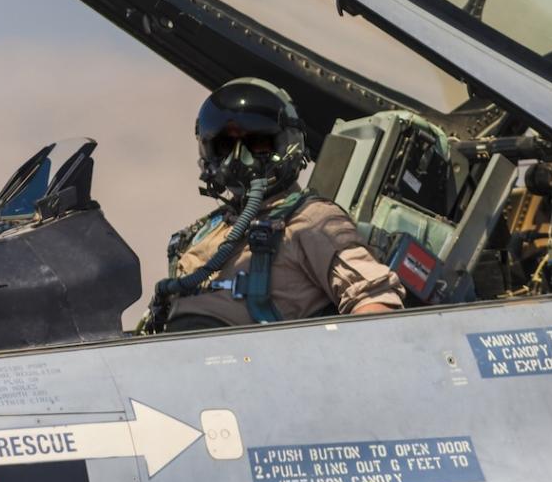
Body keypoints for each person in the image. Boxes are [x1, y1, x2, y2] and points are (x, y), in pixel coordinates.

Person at [140, 77, 404, 333]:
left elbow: (375, 304)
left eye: (257, 143)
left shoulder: (311, 221)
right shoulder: (203, 232)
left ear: (287, 143)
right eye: (224, 144)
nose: (237, 157)